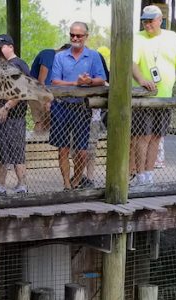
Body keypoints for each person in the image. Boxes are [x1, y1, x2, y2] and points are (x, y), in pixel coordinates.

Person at [130, 5, 176, 186]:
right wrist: (142, 79)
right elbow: (132, 63)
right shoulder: (137, 37)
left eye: (151, 20)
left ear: (160, 20)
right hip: (143, 98)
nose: (147, 24)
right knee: (143, 136)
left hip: (165, 98)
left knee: (157, 137)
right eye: (145, 21)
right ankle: (140, 174)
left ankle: (149, 174)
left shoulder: (172, 37)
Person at [49, 22, 106, 189]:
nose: (75, 38)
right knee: (63, 149)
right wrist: (77, 83)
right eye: (72, 35)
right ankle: (67, 184)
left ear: (86, 37)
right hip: (61, 107)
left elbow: (101, 79)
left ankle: (76, 180)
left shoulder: (94, 56)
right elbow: (55, 81)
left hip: (82, 108)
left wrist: (89, 81)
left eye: (78, 35)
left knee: (82, 152)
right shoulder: (60, 57)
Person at [0, 34, 31, 195]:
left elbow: (21, 90)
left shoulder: (18, 64)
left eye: (1, 48)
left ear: (10, 47)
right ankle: (0, 185)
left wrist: (6, 107)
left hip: (15, 116)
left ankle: (22, 184)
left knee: (17, 152)